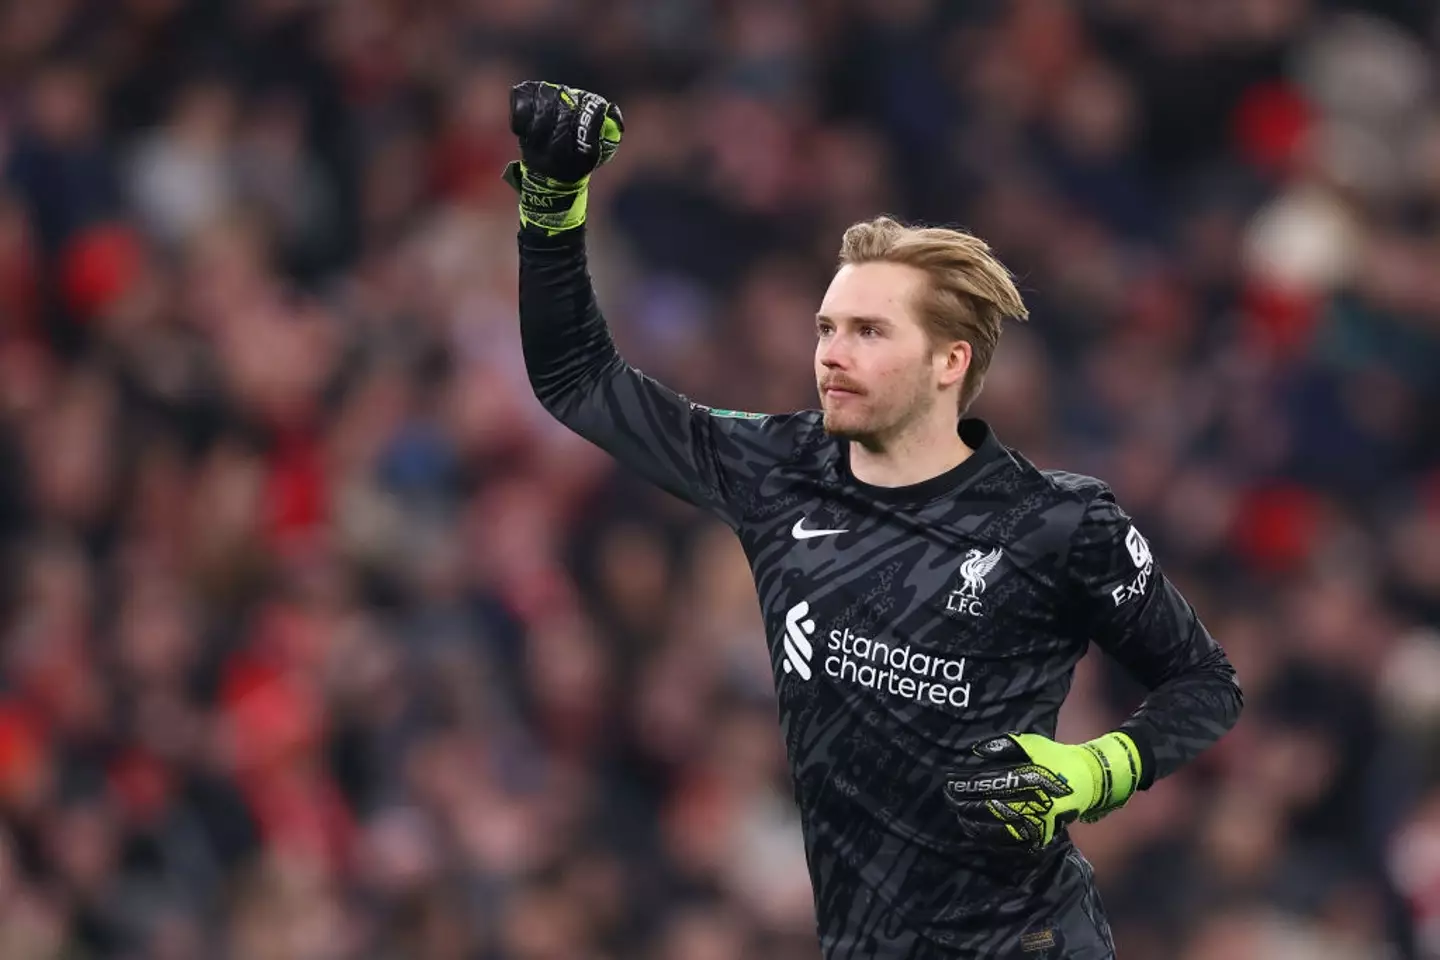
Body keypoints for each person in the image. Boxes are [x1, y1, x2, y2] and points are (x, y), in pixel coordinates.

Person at [505, 81, 1242, 960]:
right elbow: (577, 381)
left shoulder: (1059, 522)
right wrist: (553, 202)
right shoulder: (779, 470)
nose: (830, 354)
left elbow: (1205, 686)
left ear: (947, 361)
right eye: (826, 327)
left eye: (867, 331)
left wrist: (1093, 770)